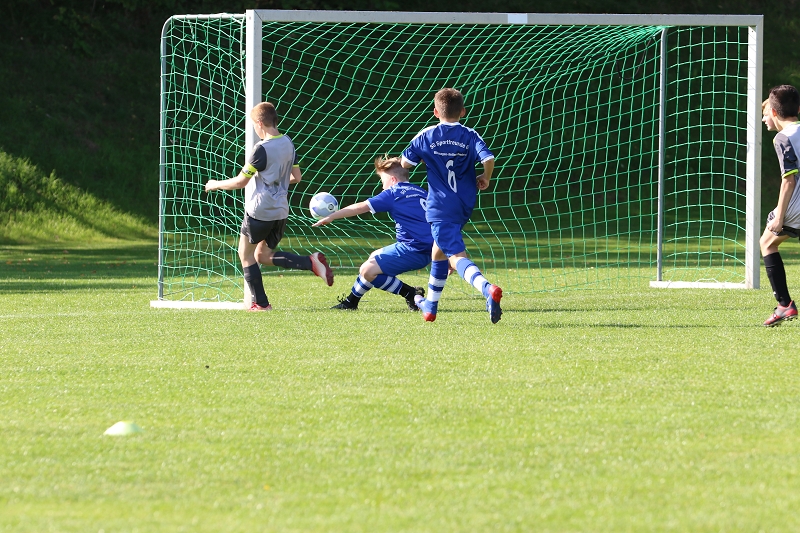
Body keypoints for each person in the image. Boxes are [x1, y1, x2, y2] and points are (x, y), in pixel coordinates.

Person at [205, 102, 333, 311]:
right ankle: (310, 262)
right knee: (262, 256)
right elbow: (296, 177)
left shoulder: (261, 150)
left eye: (253, 125)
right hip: (280, 211)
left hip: (260, 211)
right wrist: (274, 179)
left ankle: (261, 304)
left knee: (245, 255)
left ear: (259, 123)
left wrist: (215, 184)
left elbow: (240, 182)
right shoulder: (288, 143)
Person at [400, 87, 503, 323]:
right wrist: (485, 177)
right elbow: (488, 158)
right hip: (464, 204)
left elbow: (405, 162)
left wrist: (428, 157)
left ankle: (487, 289)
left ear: (436, 111)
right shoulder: (469, 134)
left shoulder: (427, 135)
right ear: (463, 111)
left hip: (440, 206)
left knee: (454, 256)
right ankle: (431, 307)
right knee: (438, 250)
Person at [312, 155, 429, 311]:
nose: (382, 187)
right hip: (429, 250)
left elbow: (361, 206)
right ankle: (351, 302)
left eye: (383, 182)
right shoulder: (421, 191)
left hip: (414, 250)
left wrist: (332, 216)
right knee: (373, 257)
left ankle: (410, 293)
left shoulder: (394, 192)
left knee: (367, 270)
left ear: (393, 180)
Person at [760, 85, 800, 326]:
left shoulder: (783, 137)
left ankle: (784, 305)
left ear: (774, 113)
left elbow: (789, 180)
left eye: (766, 114)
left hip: (795, 208)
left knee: (766, 242)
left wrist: (779, 217)